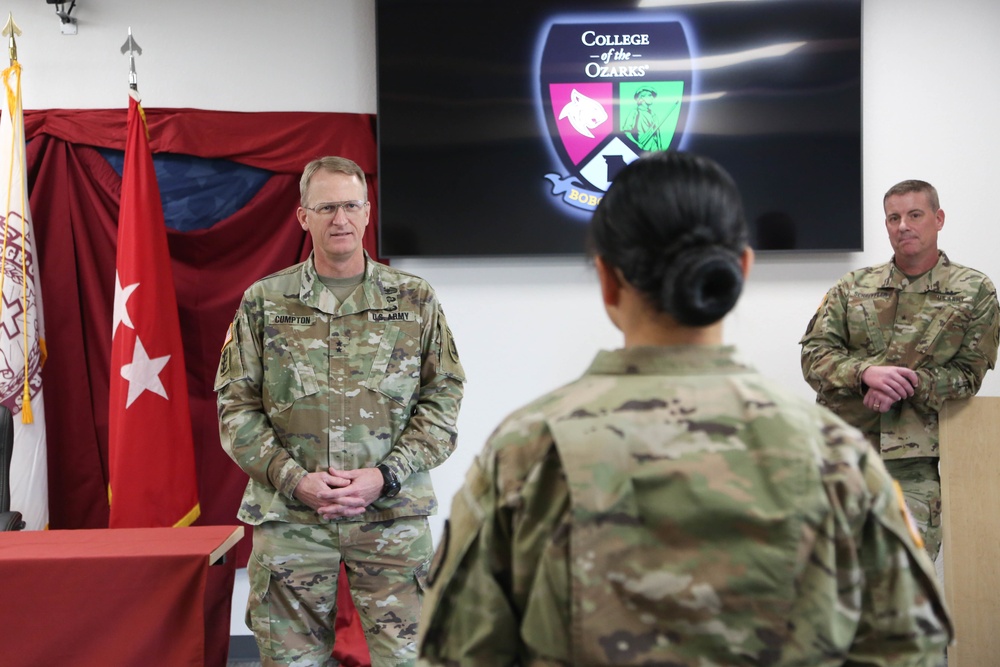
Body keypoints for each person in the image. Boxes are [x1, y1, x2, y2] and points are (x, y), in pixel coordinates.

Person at [417, 151, 951, 666]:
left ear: (606, 277)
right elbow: (909, 647)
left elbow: (457, 651)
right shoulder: (836, 456)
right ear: (741, 268)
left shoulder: (524, 451)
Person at [215, 156, 465, 667]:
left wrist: (385, 475)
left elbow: (443, 401)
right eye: (326, 207)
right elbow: (235, 407)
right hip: (291, 521)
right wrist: (293, 480)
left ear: (368, 212)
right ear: (303, 216)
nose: (340, 219)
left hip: (392, 518)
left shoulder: (414, 299)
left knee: (412, 658)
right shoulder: (265, 302)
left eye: (350, 205)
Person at [800, 179, 999, 563]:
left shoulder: (974, 291)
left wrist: (905, 383)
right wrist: (864, 374)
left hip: (915, 466)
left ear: (938, 219)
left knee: (903, 579)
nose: (903, 225)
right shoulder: (852, 287)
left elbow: (968, 375)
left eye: (914, 215)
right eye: (894, 217)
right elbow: (814, 354)